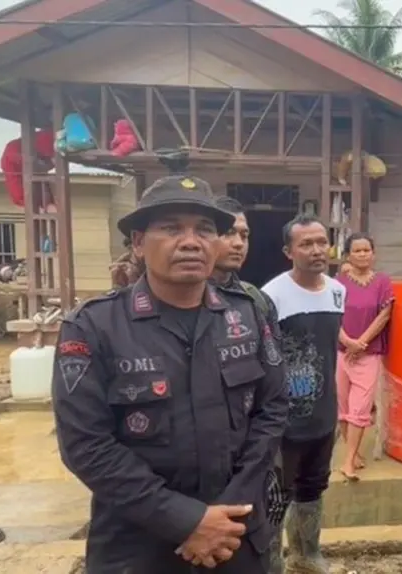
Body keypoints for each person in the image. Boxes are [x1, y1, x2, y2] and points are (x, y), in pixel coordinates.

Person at [52, 175, 288, 573]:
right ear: (138, 243)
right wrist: (187, 521)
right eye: (172, 228)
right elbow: (86, 444)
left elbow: (273, 408)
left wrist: (230, 509)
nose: (191, 241)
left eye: (205, 229)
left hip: (236, 535)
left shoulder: (247, 314)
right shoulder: (94, 326)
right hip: (139, 546)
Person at [262, 214, 346, 574]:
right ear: (288, 251)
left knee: (313, 487)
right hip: (283, 419)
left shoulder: (337, 291)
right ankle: (271, 564)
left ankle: (306, 555)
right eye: (306, 244)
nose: (316, 250)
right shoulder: (271, 296)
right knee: (276, 496)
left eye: (321, 242)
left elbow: (329, 348)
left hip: (323, 414)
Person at [211, 195, 289, 574]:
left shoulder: (255, 301)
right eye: (228, 233)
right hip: (195, 463)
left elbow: (273, 387)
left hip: (253, 453)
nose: (239, 243)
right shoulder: (176, 300)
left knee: (262, 542)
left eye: (244, 234)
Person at [335, 232, 394, 481]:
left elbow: (384, 314)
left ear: (374, 254)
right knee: (342, 407)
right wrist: (348, 341)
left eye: (366, 250)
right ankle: (354, 453)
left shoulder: (382, 282)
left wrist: (360, 343)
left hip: (368, 354)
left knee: (359, 408)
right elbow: (333, 314)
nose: (362, 254)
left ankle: (348, 462)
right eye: (356, 251)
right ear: (348, 255)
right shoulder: (338, 283)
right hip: (341, 352)